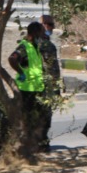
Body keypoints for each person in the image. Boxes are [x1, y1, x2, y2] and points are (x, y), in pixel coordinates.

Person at [8, 21, 49, 153]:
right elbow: (12, 59)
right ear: (34, 33)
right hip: (27, 89)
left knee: (39, 118)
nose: (42, 35)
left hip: (37, 88)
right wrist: (21, 72)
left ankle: (36, 145)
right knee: (28, 119)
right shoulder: (24, 47)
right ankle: (26, 146)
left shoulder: (35, 46)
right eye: (41, 33)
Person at [37, 14, 61, 149]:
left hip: (40, 85)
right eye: (50, 25)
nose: (52, 28)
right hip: (44, 86)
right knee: (44, 116)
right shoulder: (45, 44)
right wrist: (55, 87)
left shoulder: (35, 42)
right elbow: (51, 68)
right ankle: (41, 143)